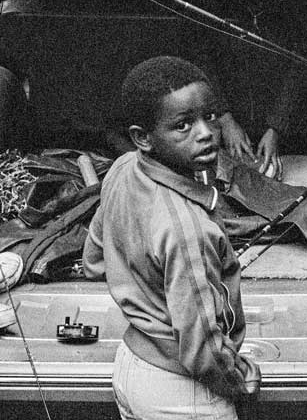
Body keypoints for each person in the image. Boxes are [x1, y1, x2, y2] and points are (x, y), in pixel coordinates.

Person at [82, 55, 261, 419]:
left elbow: (93, 260)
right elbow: (203, 348)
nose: (206, 132)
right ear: (142, 138)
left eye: (210, 116)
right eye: (183, 125)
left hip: (132, 367)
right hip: (184, 392)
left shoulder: (121, 168)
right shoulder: (187, 230)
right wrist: (238, 376)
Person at [211, 0, 307, 180]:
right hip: (221, 119)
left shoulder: (292, 3)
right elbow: (201, 60)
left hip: (285, 125)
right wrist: (225, 119)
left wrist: (275, 129)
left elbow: (300, 68)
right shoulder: (215, 0)